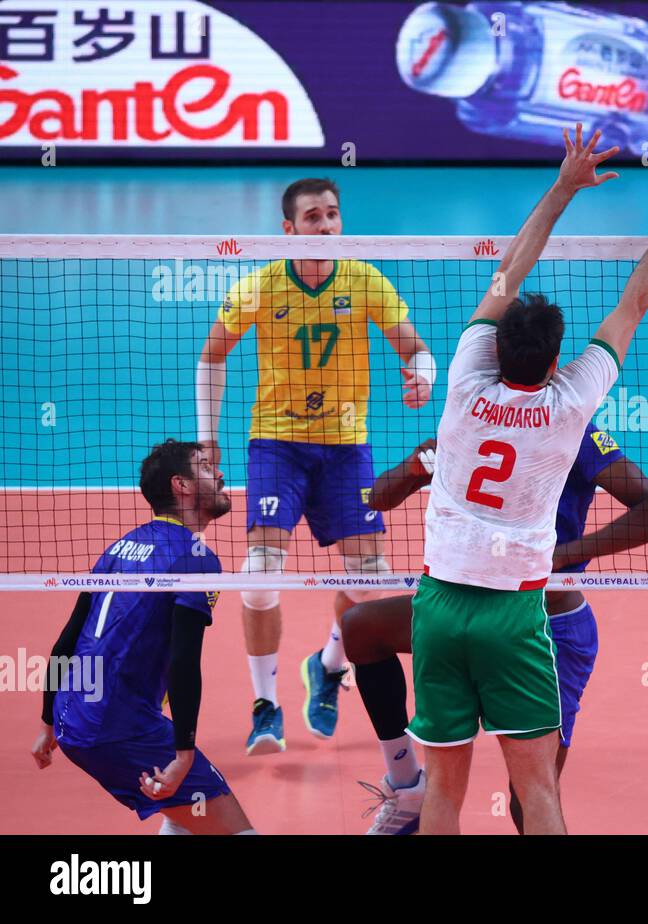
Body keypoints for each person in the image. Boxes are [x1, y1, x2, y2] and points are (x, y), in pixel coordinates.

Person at [410, 122, 648, 834]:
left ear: (493, 347)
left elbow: (508, 273)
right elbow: (634, 302)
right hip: (515, 615)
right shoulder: (571, 403)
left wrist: (562, 186)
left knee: (442, 797)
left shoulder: (462, 380)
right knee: (539, 795)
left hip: (435, 605)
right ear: (555, 363)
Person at [195, 178, 436, 755]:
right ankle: (264, 706)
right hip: (276, 443)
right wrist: (209, 440)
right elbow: (211, 355)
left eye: (332, 215)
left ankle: (327, 665)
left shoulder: (364, 279)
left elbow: (415, 347)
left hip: (346, 447)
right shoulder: (261, 285)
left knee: (370, 581)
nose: (325, 226)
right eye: (312, 218)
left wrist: (423, 374)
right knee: (259, 576)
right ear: (288, 229)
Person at [344, 424, 648, 834]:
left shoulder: (575, 432)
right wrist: (417, 465)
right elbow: (378, 497)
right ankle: (407, 786)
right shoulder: (472, 424)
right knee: (360, 628)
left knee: (527, 800)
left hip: (549, 625)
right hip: (465, 610)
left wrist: (565, 555)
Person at [32, 440, 256, 834]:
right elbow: (183, 661)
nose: (220, 473)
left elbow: (65, 642)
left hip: (73, 719)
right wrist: (183, 752)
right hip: (120, 729)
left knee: (184, 816)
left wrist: (49, 723)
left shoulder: (120, 546)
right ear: (181, 486)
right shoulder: (195, 557)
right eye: (205, 468)